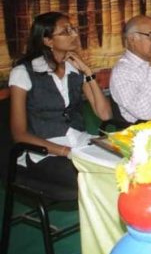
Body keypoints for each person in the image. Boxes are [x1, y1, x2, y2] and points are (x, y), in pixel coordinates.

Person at [9, 12, 112, 189]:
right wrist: (66, 152)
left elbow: (105, 114)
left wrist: (88, 72)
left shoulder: (74, 69)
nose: (74, 35)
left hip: (79, 142)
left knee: (125, 164)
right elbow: (20, 135)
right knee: (93, 178)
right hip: (44, 153)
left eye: (73, 29)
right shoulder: (24, 72)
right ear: (48, 41)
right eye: (66, 31)